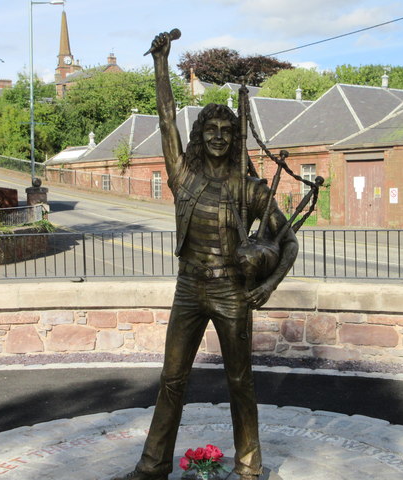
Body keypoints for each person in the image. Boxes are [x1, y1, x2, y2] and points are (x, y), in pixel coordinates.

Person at [116, 31, 298, 480]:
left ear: (235, 138)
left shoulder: (249, 188)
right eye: (209, 130)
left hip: (233, 292)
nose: (217, 136)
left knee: (240, 382)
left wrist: (268, 284)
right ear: (199, 136)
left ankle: (249, 466)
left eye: (226, 131)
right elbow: (164, 121)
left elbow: (289, 241)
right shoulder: (182, 176)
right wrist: (162, 64)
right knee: (172, 380)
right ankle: (154, 464)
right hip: (189, 287)